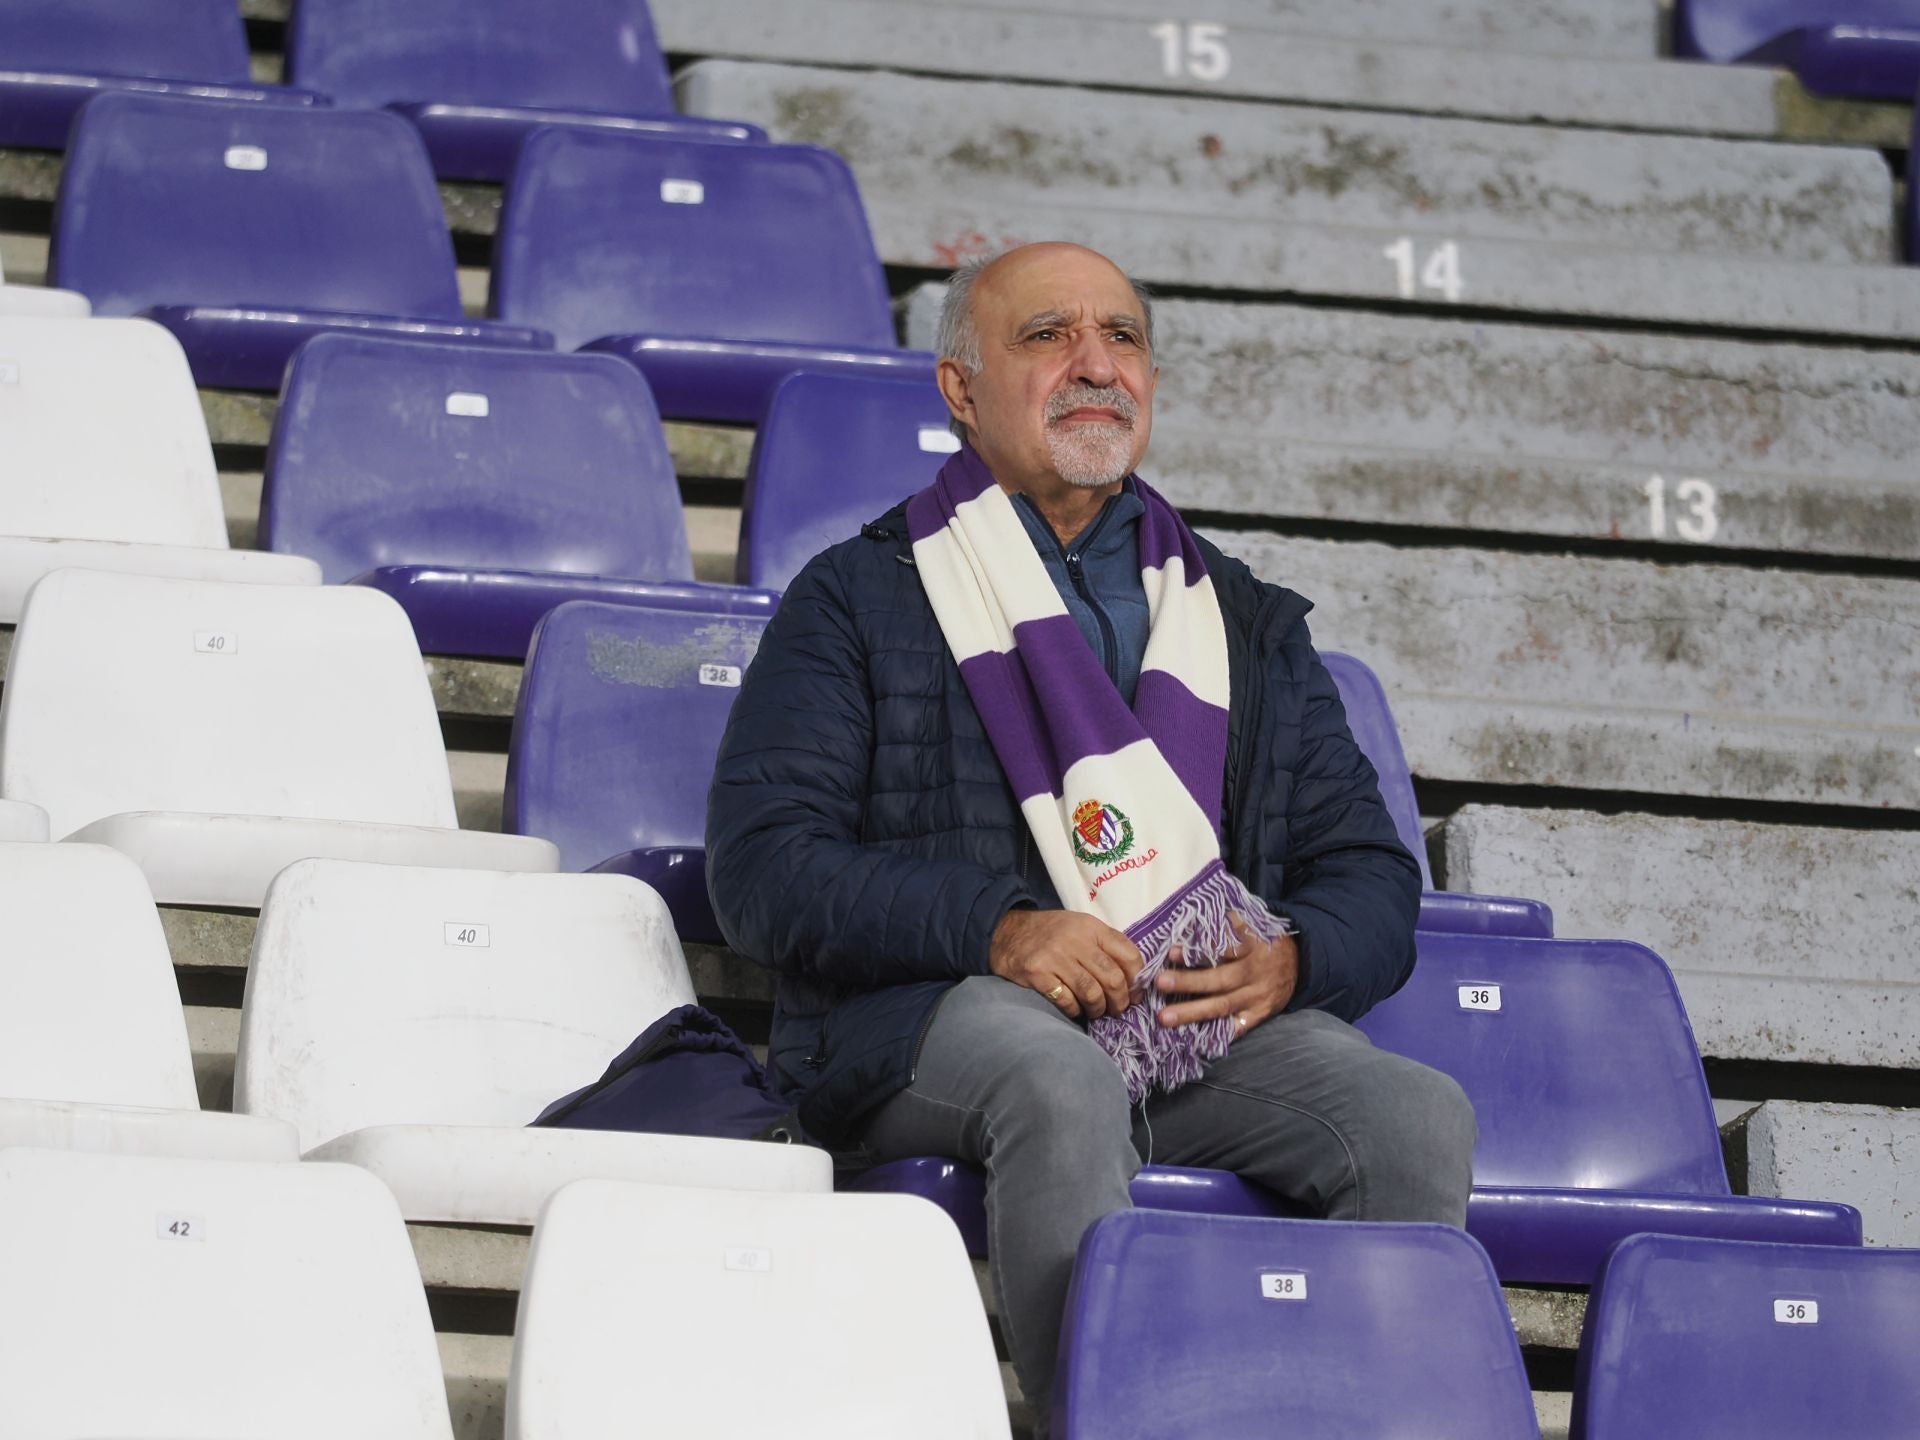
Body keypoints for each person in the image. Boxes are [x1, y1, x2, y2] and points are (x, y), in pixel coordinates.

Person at [707, 242, 1476, 1430]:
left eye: (1121, 338)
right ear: (960, 389)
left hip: (1183, 1025)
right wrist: (1001, 930)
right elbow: (763, 872)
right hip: (923, 1016)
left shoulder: (1243, 617)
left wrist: (1293, 958)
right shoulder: (860, 595)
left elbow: (1371, 871)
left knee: (1412, 1114)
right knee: (1058, 1081)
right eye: (1047, 336)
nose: (1094, 366)